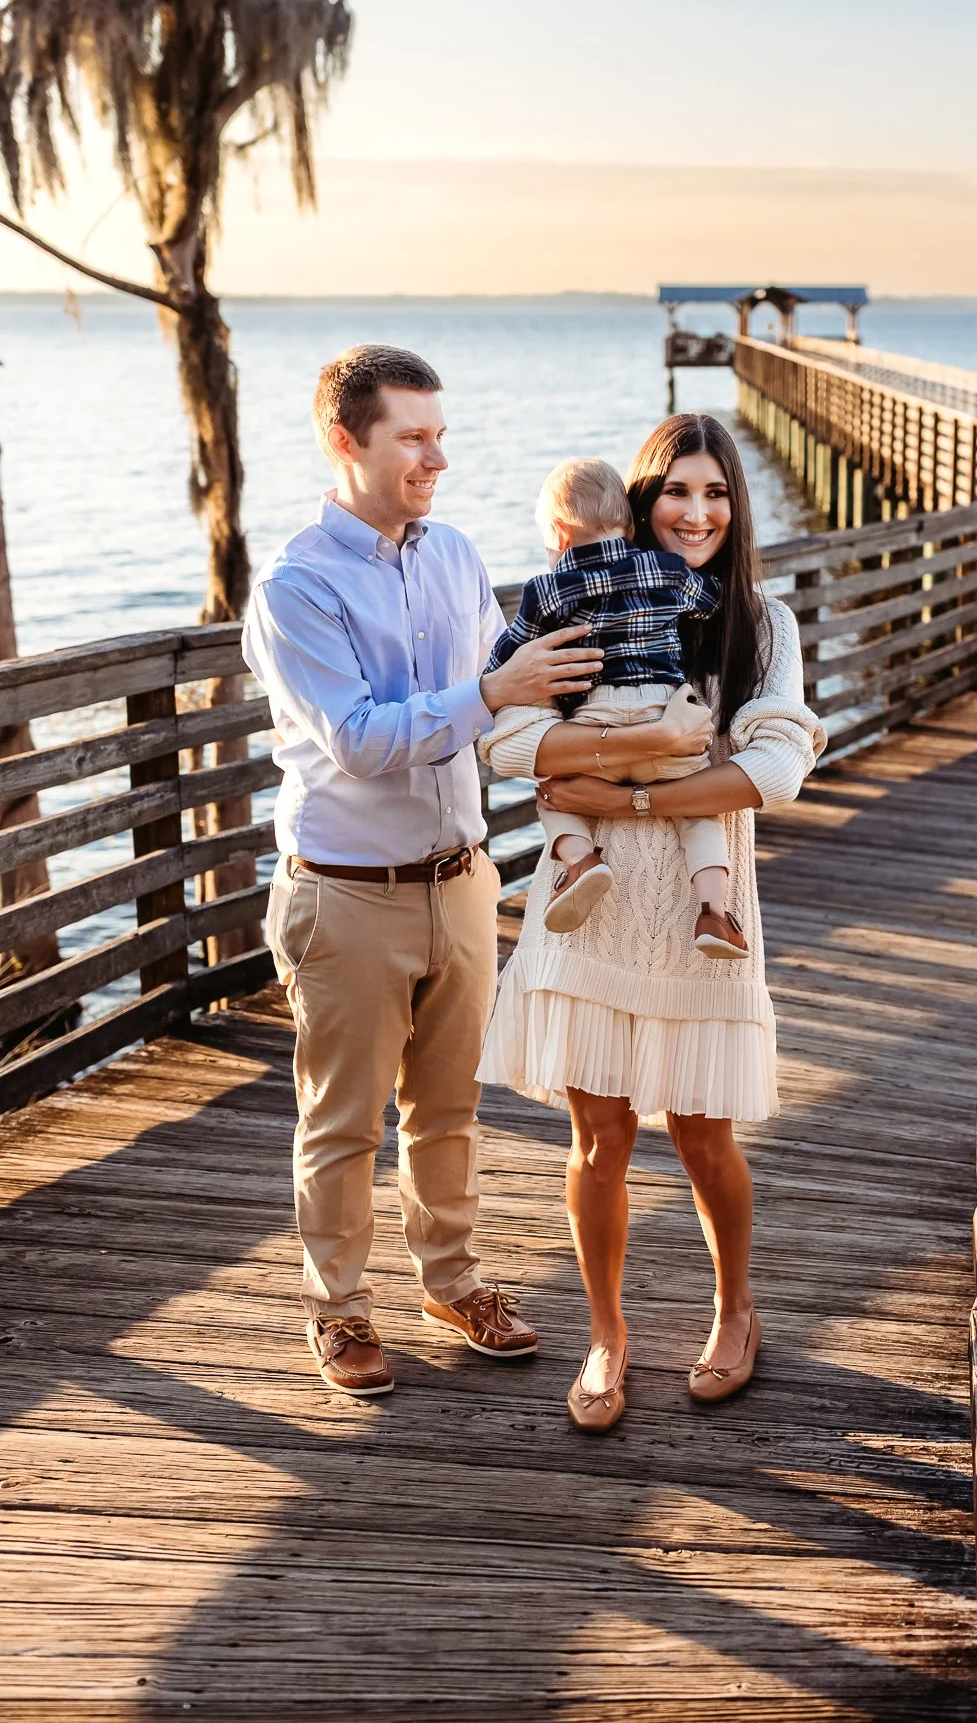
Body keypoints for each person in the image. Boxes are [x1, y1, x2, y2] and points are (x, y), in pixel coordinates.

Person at [242, 343, 608, 1398]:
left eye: (440, 435)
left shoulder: (451, 552)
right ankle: (339, 1311)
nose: (435, 457)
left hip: (461, 879)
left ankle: (452, 1281)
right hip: (346, 892)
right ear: (344, 440)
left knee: (449, 1109)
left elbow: (511, 681)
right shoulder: (297, 583)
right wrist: (494, 693)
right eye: (412, 436)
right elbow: (359, 736)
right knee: (345, 1120)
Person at [478, 413, 825, 1431]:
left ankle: (734, 1309)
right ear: (641, 498)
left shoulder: (756, 622)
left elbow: (773, 768)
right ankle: (607, 1336)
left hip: (698, 904)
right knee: (601, 1135)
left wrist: (622, 791)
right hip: (585, 904)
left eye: (716, 492)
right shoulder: (584, 598)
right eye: (678, 490)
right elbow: (509, 747)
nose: (698, 510)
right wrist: (665, 746)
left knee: (703, 1130)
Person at [483, 454, 747, 958]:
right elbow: (711, 601)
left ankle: (581, 861)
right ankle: (714, 913)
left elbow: (511, 654)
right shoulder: (666, 569)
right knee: (700, 816)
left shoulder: (545, 589)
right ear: (630, 524)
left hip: (596, 723)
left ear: (559, 535)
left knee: (554, 795)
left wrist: (490, 679)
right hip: (663, 714)